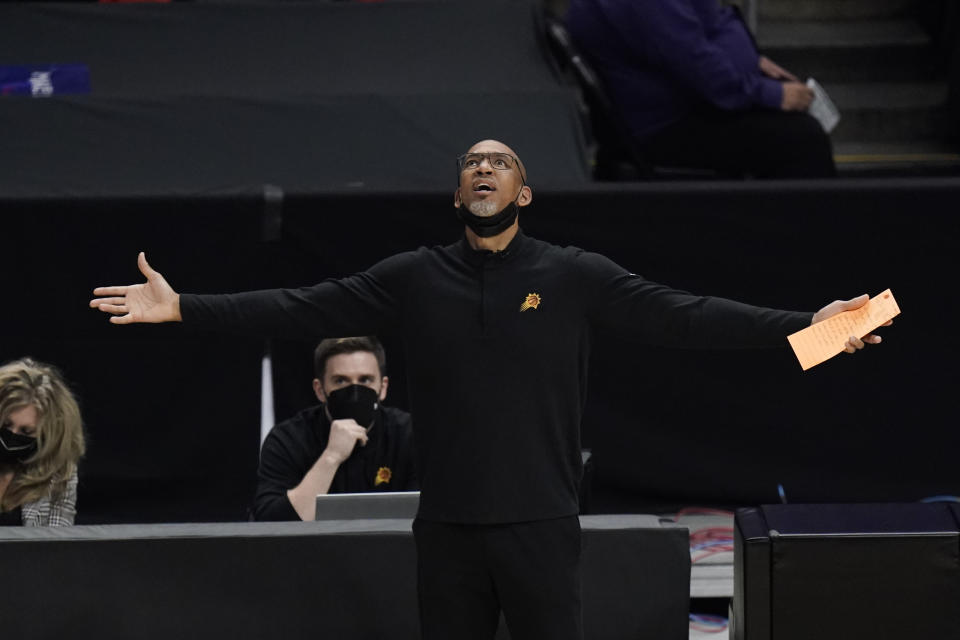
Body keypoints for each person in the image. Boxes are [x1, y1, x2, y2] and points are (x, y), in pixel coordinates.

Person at [90, 139, 885, 639]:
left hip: (542, 521)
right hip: (447, 527)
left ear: (523, 193)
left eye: (499, 161)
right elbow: (304, 304)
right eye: (471, 162)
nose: (482, 168)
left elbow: (688, 316)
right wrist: (183, 307)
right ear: (458, 193)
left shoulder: (571, 275)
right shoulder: (413, 277)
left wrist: (816, 329)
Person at [565, 0, 837, 178]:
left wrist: (751, 62)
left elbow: (704, 28)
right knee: (802, 138)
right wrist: (772, 95)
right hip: (666, 127)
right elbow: (697, 65)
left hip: (681, 104)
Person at [254, 336, 416, 521]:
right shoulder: (288, 438)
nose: (355, 391)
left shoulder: (408, 434)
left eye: (365, 380)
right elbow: (272, 524)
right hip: (313, 547)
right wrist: (332, 456)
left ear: (383, 387)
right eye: (340, 381)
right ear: (320, 390)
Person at [0, 358, 85, 527]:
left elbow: (56, 545)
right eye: (5, 425)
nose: (12, 435)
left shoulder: (58, 474)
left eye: (26, 431)